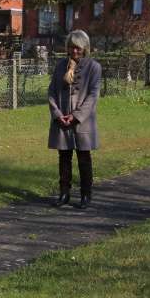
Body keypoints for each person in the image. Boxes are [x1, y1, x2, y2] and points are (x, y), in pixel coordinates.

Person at [47, 29, 100, 209]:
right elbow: (52, 92)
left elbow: (93, 96)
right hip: (62, 120)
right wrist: (57, 114)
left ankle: (86, 195)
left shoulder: (94, 67)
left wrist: (76, 116)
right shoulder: (60, 66)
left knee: (84, 158)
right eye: (71, 48)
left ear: (85, 48)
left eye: (78, 48)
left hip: (82, 122)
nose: (74, 51)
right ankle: (64, 193)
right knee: (64, 158)